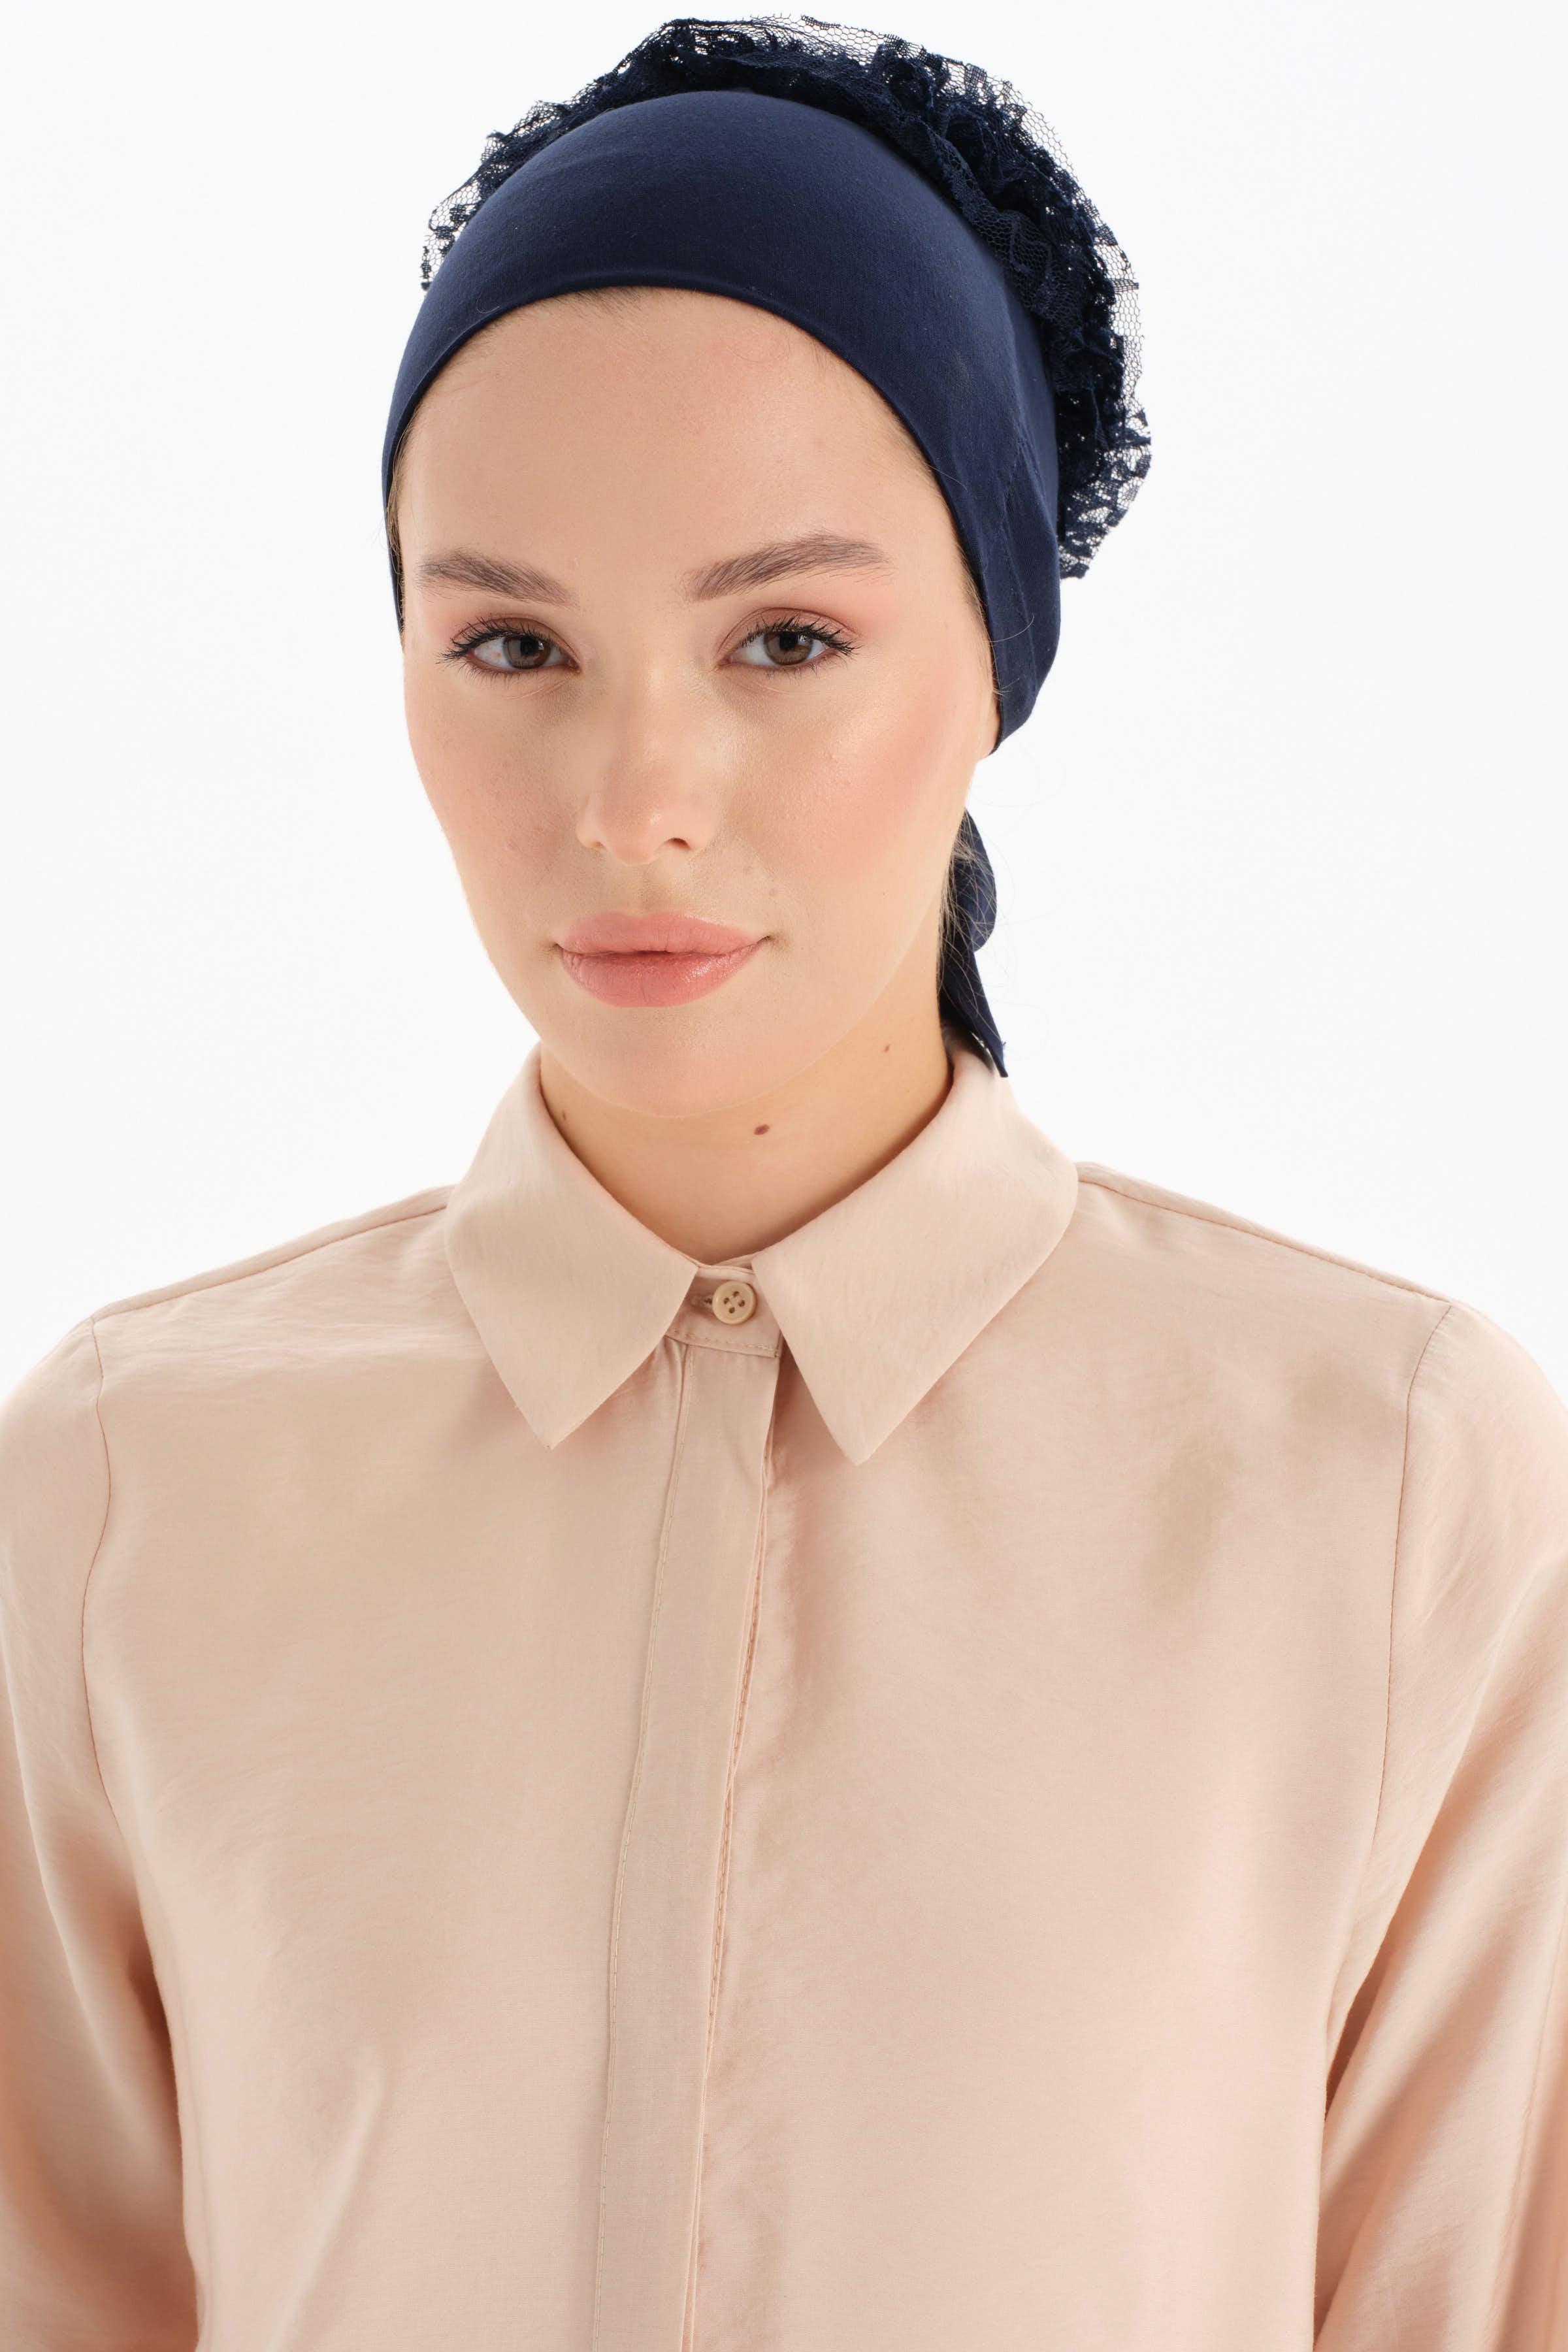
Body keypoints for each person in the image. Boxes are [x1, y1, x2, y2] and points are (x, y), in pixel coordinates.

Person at [2, 18, 1565, 2349]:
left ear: (995, 664)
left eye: (787, 640)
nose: (634, 793)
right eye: (511, 642)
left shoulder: (1394, 1486)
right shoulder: (131, 1487)